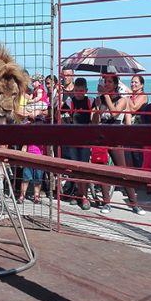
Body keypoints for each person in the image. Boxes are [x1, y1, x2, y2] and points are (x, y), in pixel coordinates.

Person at [93, 72, 144, 216]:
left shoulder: (123, 100)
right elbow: (94, 121)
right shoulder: (100, 99)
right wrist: (97, 108)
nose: (106, 84)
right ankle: (106, 202)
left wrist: (106, 96)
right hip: (102, 135)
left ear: (116, 84)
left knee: (122, 170)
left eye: (109, 81)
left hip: (115, 136)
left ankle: (134, 203)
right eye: (105, 81)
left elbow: (114, 113)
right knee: (102, 170)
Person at [61, 77, 94, 209]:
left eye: (81, 90)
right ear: (73, 90)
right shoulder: (70, 101)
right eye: (76, 90)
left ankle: (84, 196)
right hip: (74, 138)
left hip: (86, 139)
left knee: (84, 167)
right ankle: (79, 194)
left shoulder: (90, 101)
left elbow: (95, 117)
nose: (79, 93)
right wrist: (68, 124)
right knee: (75, 167)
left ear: (86, 90)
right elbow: (61, 113)